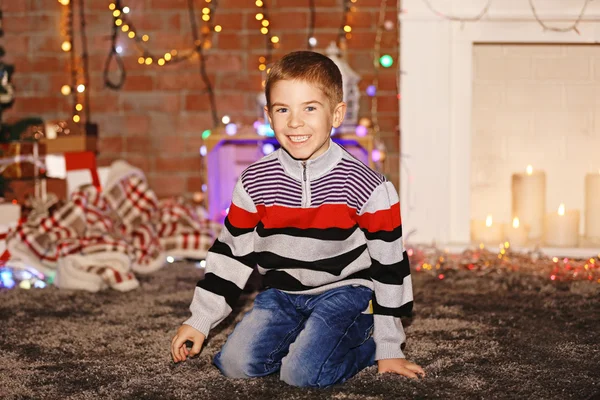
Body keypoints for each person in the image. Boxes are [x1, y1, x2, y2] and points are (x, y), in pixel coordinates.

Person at [171, 50, 425, 388]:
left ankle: (368, 343)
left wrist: (390, 346)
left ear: (336, 114)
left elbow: (391, 265)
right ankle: (309, 337)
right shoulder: (254, 181)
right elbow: (231, 254)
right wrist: (200, 320)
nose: (294, 122)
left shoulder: (368, 186)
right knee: (234, 363)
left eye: (309, 108)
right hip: (282, 292)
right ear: (268, 115)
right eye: (282, 109)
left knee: (301, 374)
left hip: (346, 291)